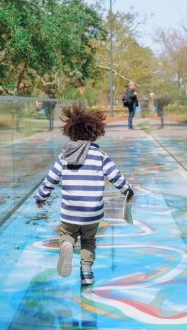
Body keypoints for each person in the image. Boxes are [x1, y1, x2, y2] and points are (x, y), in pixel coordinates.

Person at [34, 104, 135, 286]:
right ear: (94, 132)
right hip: (92, 213)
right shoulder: (99, 155)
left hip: (70, 212)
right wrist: (127, 190)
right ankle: (86, 273)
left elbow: (51, 179)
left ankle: (67, 244)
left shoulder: (64, 156)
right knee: (89, 241)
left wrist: (41, 196)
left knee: (67, 233)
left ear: (70, 132)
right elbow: (115, 176)